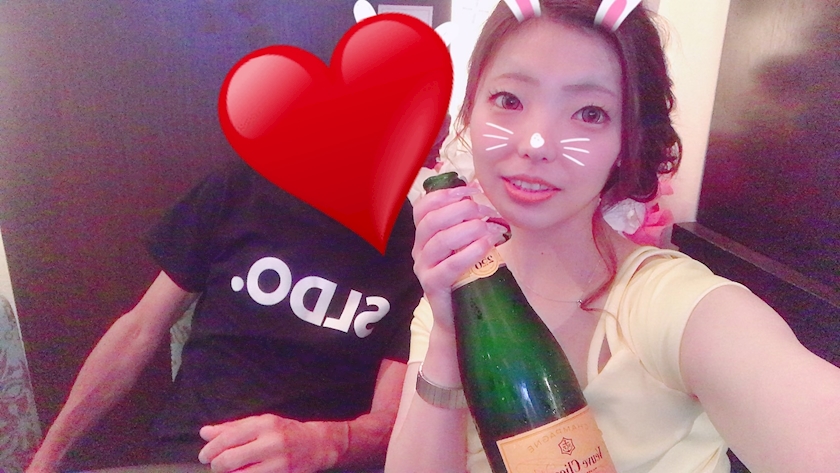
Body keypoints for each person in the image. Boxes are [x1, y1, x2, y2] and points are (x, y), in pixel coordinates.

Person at [384, 1, 840, 472]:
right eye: (509, 100)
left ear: (627, 142)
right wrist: (447, 337)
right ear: (470, 110)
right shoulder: (450, 300)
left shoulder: (674, 306)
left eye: (590, 112)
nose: (535, 144)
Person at [27, 158, 423, 473]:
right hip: (191, 454)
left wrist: (324, 442)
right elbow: (138, 330)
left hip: (313, 464)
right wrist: (46, 460)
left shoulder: (419, 251)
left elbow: (393, 422)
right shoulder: (242, 186)